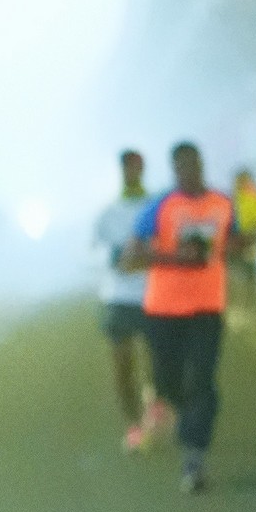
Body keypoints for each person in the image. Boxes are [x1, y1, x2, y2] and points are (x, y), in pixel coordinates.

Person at [122, 138, 235, 494]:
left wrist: (235, 246)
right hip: (163, 309)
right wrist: (176, 258)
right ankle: (173, 409)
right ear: (174, 170)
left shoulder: (222, 204)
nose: (189, 172)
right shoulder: (159, 207)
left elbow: (235, 241)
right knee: (168, 383)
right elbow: (130, 258)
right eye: (181, 167)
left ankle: (194, 455)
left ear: (201, 164)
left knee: (202, 380)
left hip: (207, 308)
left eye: (193, 165)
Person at [91, 149, 164, 450]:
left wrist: (148, 257)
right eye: (127, 167)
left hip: (155, 294)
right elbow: (93, 250)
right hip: (119, 297)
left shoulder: (157, 207)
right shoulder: (108, 212)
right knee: (122, 364)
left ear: (143, 169)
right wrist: (117, 258)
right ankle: (134, 425)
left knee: (159, 361)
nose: (132, 172)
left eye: (136, 166)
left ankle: (155, 401)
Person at [227, 166, 256, 319]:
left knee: (249, 273)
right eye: (239, 180)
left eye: (244, 180)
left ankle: (249, 306)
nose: (241, 183)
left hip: (249, 239)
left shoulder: (253, 199)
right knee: (231, 273)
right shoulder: (230, 199)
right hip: (233, 240)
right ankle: (232, 306)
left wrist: (254, 238)